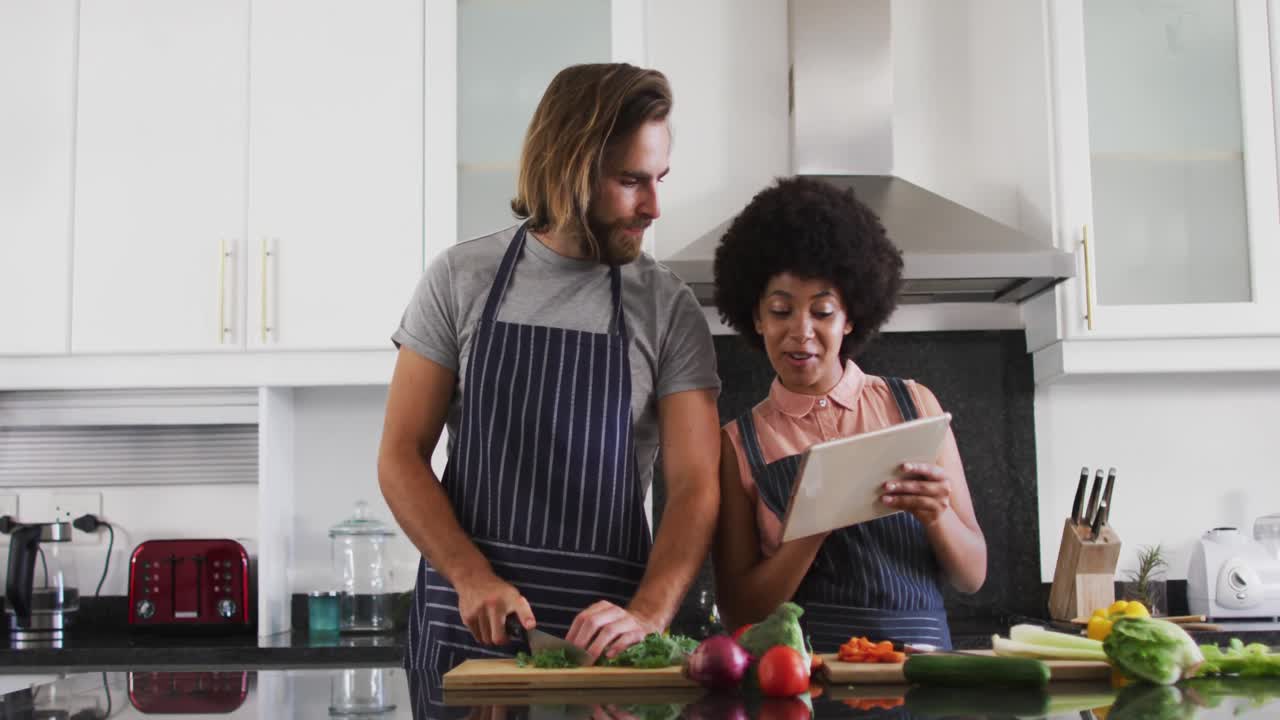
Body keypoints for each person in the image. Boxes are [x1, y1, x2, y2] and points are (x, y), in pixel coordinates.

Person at [379, 63, 721, 676]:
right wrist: (470, 576)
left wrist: (648, 614)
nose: (654, 206)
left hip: (608, 650)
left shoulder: (667, 306)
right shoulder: (460, 279)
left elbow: (695, 485)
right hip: (469, 637)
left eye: (659, 179)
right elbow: (401, 455)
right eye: (630, 181)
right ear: (569, 169)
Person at [710, 177, 986, 651]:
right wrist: (813, 524)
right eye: (781, 310)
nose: (801, 331)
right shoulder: (738, 444)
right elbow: (740, 611)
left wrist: (938, 514)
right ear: (756, 317)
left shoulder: (914, 405)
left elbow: (972, 575)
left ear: (850, 317)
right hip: (808, 675)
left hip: (922, 670)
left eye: (822, 312)